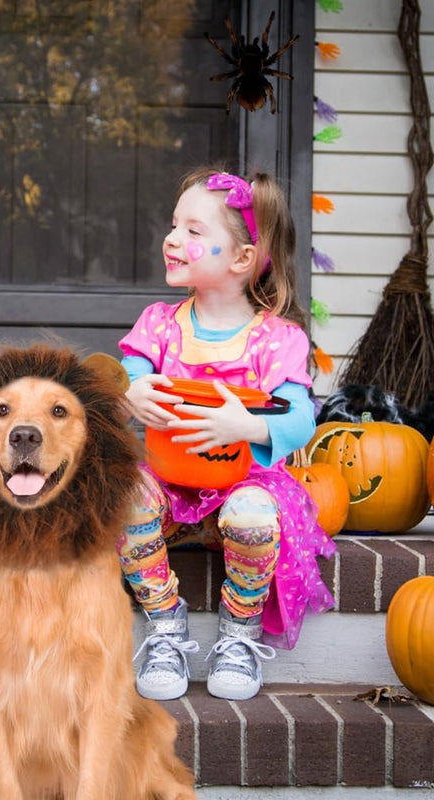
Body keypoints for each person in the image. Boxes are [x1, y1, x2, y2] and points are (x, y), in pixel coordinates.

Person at [117, 167, 336, 702]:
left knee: (254, 515)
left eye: (194, 231)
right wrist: (132, 391)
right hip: (170, 484)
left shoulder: (276, 339)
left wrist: (249, 425)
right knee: (123, 500)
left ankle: (240, 632)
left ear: (241, 258)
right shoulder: (161, 324)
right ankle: (165, 622)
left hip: (245, 484)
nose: (174, 238)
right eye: (174, 225)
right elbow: (126, 374)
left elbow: (302, 416)